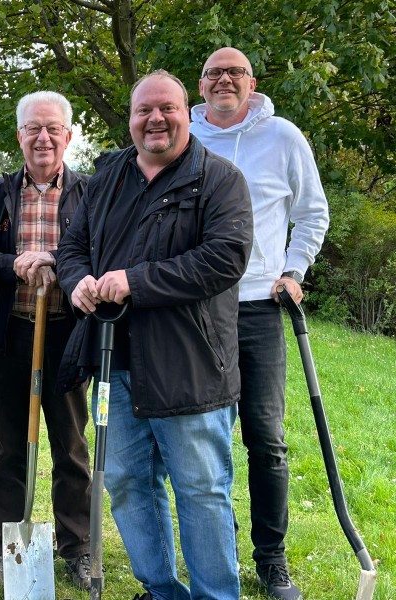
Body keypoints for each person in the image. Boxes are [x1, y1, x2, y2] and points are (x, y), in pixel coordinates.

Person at [57, 70, 253, 600]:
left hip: (189, 364)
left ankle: (216, 595)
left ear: (185, 112)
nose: (155, 119)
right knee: (125, 484)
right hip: (112, 363)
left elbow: (224, 259)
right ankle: (162, 589)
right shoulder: (105, 179)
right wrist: (76, 283)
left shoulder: (219, 179)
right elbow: (72, 246)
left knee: (201, 490)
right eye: (144, 110)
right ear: (130, 118)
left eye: (166, 107)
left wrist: (134, 282)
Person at [190, 47, 330, 600]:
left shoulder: (284, 137)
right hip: (197, 308)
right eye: (214, 73)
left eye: (235, 72)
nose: (224, 80)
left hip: (261, 308)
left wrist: (294, 269)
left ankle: (271, 559)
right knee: (207, 438)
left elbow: (312, 211)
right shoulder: (185, 137)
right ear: (200, 86)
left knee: (266, 439)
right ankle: (217, 551)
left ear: (252, 82)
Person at [0, 91, 94, 589]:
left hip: (67, 334)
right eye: (33, 129)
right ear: (19, 136)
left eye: (52, 128)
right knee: (7, 446)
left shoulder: (89, 191)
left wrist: (61, 266)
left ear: (67, 134)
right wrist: (13, 264)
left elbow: (102, 250)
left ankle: (77, 546)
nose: (43, 138)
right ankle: (4, 544)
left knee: (72, 444)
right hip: (9, 334)